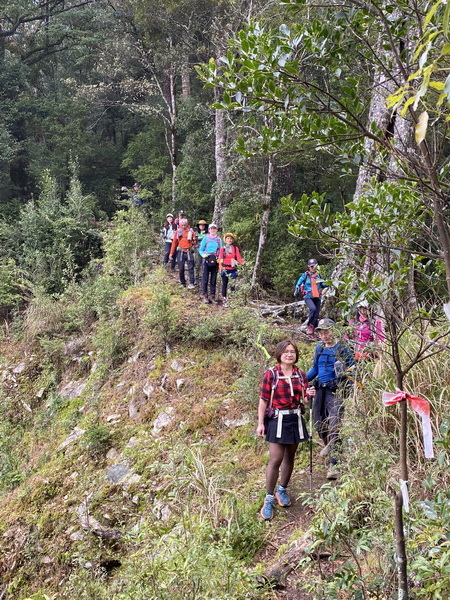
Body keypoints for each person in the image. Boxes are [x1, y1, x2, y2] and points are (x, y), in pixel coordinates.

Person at [257, 340, 309, 521]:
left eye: (292, 352)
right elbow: (264, 400)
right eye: (286, 351)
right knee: (276, 458)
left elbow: (305, 399)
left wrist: (310, 395)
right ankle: (269, 498)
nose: (289, 354)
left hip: (294, 417)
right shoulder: (271, 374)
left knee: (290, 457)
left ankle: (282, 490)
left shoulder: (301, 375)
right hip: (277, 419)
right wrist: (260, 423)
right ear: (279, 354)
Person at [306, 318, 354, 480]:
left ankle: (335, 463)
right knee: (319, 423)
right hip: (320, 389)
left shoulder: (343, 347)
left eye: (327, 331)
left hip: (337, 391)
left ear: (334, 331)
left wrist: (347, 385)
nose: (324, 335)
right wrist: (301, 379)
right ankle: (330, 444)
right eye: (321, 332)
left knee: (335, 425)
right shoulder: (319, 348)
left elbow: (352, 368)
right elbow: (315, 368)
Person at [295, 258, 327, 339]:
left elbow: (322, 285)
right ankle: (309, 326)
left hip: (317, 297)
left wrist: (330, 283)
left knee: (316, 314)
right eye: (312, 266)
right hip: (308, 296)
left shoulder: (318, 276)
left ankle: (313, 331)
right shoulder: (305, 275)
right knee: (312, 309)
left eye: (315, 266)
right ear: (309, 267)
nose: (313, 268)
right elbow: (298, 283)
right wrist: (297, 289)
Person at [218, 233, 245, 308]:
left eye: (230, 239)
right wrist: (220, 269)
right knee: (224, 284)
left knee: (233, 285)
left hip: (233, 269)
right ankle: (224, 300)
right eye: (228, 238)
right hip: (225, 269)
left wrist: (244, 263)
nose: (229, 240)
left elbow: (239, 258)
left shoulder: (235, 248)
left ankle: (233, 300)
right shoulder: (222, 249)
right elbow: (220, 259)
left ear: (232, 240)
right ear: (225, 240)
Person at [198, 223, 223, 304]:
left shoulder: (219, 240)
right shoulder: (206, 238)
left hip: (215, 260)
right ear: (209, 230)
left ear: (216, 230)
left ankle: (212, 296)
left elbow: (221, 250)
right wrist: (203, 255)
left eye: (214, 229)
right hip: (206, 260)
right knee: (205, 278)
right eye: (211, 229)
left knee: (213, 279)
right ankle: (205, 296)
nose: (213, 230)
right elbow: (201, 249)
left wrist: (220, 259)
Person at [169, 218, 197, 289]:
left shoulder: (191, 232)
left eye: (185, 225)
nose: (184, 226)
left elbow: (195, 242)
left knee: (191, 268)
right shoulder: (178, 232)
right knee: (181, 268)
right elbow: (174, 243)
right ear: (180, 225)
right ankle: (182, 282)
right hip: (180, 252)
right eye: (182, 225)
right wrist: (171, 253)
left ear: (187, 224)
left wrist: (193, 240)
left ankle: (191, 282)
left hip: (189, 251)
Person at [194, 220, 208, 285]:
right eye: (200, 225)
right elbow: (194, 239)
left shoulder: (207, 234)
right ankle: (196, 278)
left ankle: (203, 278)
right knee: (197, 264)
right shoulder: (196, 233)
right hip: (197, 249)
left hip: (205, 250)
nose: (201, 226)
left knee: (204, 265)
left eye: (203, 225)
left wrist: (197, 238)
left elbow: (198, 238)